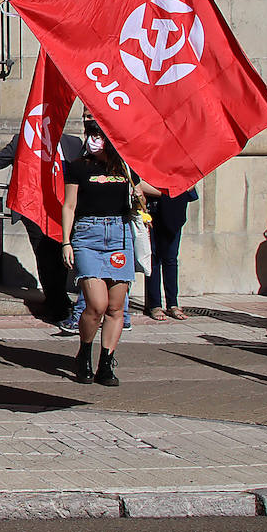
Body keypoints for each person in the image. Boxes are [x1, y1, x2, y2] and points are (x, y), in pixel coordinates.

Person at [60, 114, 159, 386]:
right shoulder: (78, 167)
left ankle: (106, 362)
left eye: (99, 135)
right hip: (88, 236)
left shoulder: (125, 168)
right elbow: (69, 205)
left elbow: (153, 190)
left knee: (115, 307)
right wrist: (66, 241)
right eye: (91, 133)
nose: (94, 140)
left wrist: (142, 192)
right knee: (97, 304)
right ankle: (85, 352)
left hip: (120, 235)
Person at [0, 125, 85, 327]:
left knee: (61, 257)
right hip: (32, 208)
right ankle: (57, 307)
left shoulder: (73, 143)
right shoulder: (22, 140)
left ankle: (57, 299)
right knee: (45, 255)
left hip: (61, 210)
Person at [144, 187, 198, 321]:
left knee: (171, 259)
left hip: (175, 212)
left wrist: (176, 190)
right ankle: (154, 304)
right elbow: (140, 184)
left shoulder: (182, 167)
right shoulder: (150, 166)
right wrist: (168, 192)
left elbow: (190, 187)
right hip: (154, 211)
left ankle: (172, 303)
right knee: (153, 259)